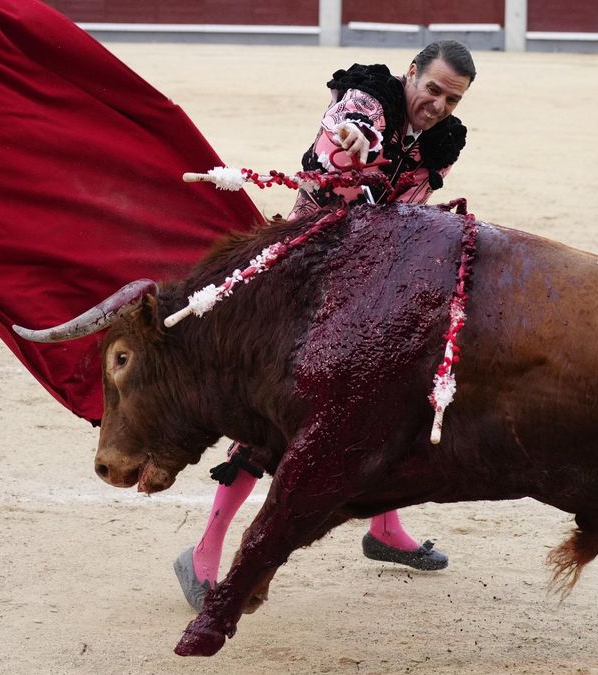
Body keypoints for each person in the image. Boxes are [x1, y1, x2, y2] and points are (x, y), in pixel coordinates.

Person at [174, 40, 477, 612]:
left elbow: (407, 208)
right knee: (277, 416)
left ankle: (385, 530)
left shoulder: (442, 140)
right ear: (411, 73)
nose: (437, 105)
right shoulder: (366, 100)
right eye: (432, 89)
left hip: (366, 277)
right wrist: (353, 148)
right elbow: (330, 159)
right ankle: (204, 552)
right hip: (304, 274)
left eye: (451, 99)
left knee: (387, 396)